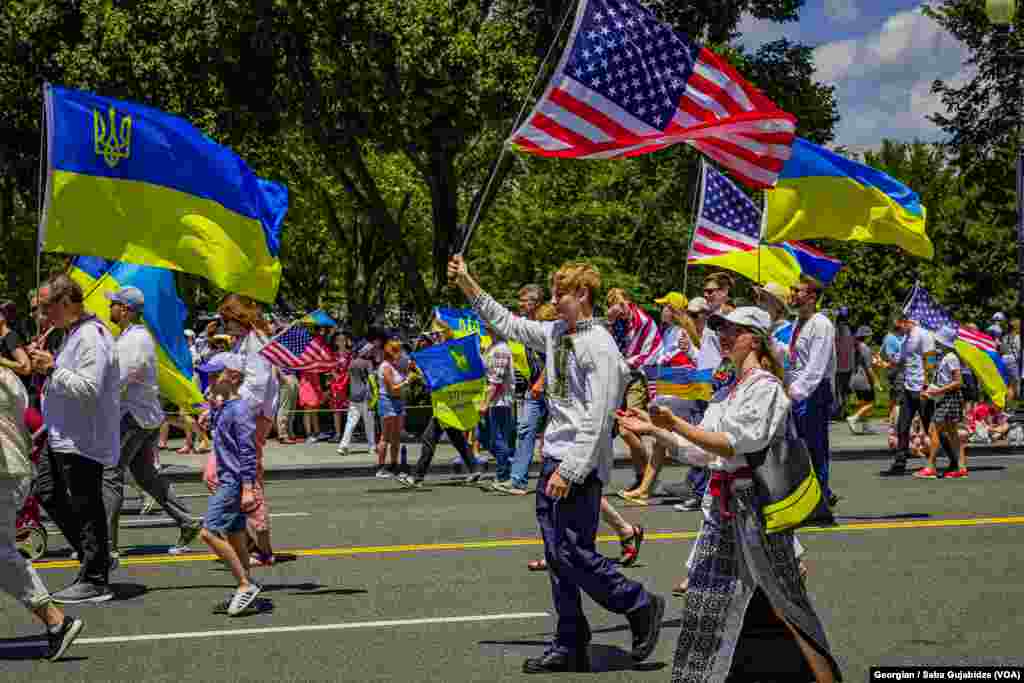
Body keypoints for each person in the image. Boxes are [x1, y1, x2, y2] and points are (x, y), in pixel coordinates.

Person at [449, 255, 665, 674]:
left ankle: (637, 603)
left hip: (577, 466)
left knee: (572, 552)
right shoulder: (555, 332)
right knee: (556, 555)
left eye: (560, 294)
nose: (553, 301)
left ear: (582, 295)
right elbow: (508, 323)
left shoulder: (599, 345)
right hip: (554, 459)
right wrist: (468, 284)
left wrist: (572, 469)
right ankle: (569, 641)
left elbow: (599, 417)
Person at [616, 307, 841, 683]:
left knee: (788, 605)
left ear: (754, 339)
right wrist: (655, 430)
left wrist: (677, 424)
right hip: (723, 512)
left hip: (756, 510)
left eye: (734, 331)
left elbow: (735, 444)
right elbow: (701, 452)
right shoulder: (728, 390)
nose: (724, 335)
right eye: (721, 329)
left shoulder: (765, 387)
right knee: (706, 604)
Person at [29, 274, 120, 604]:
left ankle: (95, 578)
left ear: (66, 303)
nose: (41, 315)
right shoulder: (72, 334)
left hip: (83, 438)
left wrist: (53, 367)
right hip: (60, 434)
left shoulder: (91, 337)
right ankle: (94, 556)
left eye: (45, 307)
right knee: (47, 492)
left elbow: (89, 390)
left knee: (86, 505)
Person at [100, 287, 202, 557]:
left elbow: (120, 377)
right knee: (146, 476)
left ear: (126, 310)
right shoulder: (130, 337)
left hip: (132, 417)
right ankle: (188, 521)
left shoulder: (135, 340)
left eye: (114, 304)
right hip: (142, 417)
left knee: (109, 475)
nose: (110, 308)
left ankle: (106, 546)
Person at [0, 365, 84, 660]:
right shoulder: (7, 376)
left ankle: (57, 621)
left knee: (1, 554)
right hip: (12, 469)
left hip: (5, 472)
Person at [618, 291, 702, 505]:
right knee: (659, 442)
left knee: (664, 438)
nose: (662, 310)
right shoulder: (670, 331)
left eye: (665, 306)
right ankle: (646, 488)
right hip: (672, 389)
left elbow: (670, 356)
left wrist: (653, 363)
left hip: (678, 390)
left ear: (673, 310)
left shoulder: (680, 331)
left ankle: (653, 487)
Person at [198, 353, 263, 616]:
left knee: (208, 532)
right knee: (236, 536)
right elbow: (219, 430)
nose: (210, 380)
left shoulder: (240, 410)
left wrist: (248, 487)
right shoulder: (225, 407)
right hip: (228, 477)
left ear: (233, 377)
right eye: (209, 375)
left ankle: (246, 585)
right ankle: (243, 586)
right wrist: (209, 413)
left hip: (234, 480)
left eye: (215, 375)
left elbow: (248, 451)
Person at [217, 294, 279, 565]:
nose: (224, 325)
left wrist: (233, 405)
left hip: (250, 416)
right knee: (238, 476)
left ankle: (260, 546)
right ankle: (256, 544)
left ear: (238, 318)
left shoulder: (255, 342)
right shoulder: (245, 341)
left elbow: (257, 385)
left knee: (244, 478)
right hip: (247, 414)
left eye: (226, 320)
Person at [397, 331, 483, 488]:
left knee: (428, 439)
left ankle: (417, 476)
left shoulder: (438, 361)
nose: (421, 345)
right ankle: (475, 468)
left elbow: (434, 383)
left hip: (444, 408)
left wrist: (418, 374)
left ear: (431, 344)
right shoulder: (429, 361)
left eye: (425, 342)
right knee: (457, 439)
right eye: (420, 343)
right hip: (442, 406)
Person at [788, 277, 838, 508]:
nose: (792, 293)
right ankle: (815, 495)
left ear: (811, 297)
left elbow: (816, 366)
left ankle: (820, 502)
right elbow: (794, 359)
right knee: (800, 449)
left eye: (796, 290)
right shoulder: (798, 322)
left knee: (815, 447)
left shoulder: (821, 324)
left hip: (812, 392)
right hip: (798, 391)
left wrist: (796, 392)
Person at [605, 287, 661, 490]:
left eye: (622, 304)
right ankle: (642, 477)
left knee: (627, 429)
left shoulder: (642, 321)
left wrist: (624, 364)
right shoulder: (617, 322)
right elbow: (606, 345)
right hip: (620, 377)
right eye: (615, 306)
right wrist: (610, 321)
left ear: (629, 301)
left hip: (638, 376)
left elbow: (646, 353)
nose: (620, 310)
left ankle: (648, 476)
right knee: (626, 431)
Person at [508, 284, 548, 495]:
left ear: (536, 303)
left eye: (524, 301)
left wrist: (541, 382)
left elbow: (555, 358)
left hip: (553, 390)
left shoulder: (547, 325)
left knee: (555, 435)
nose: (520, 304)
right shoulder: (523, 326)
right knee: (525, 429)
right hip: (533, 389)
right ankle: (517, 481)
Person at [915, 325, 967, 479]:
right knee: (952, 432)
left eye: (938, 340)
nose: (936, 342)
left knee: (933, 430)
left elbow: (958, 381)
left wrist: (938, 391)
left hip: (949, 397)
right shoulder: (945, 356)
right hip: (947, 396)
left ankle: (931, 467)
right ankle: (961, 467)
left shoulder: (950, 357)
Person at [883, 314, 932, 476]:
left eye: (899, 326)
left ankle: (952, 460)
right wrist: (883, 363)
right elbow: (899, 360)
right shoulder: (905, 339)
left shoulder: (923, 334)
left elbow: (929, 361)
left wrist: (927, 385)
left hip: (921, 389)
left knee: (931, 428)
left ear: (906, 322)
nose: (898, 330)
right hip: (908, 388)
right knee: (902, 427)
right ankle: (899, 463)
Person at [480, 321, 517, 491]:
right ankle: (507, 465)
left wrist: (485, 402)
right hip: (494, 400)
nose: (484, 328)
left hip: (500, 401)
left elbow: (497, 379)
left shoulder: (501, 349)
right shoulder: (492, 347)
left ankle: (504, 475)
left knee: (498, 439)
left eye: (487, 326)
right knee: (486, 437)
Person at [376, 339, 412, 478]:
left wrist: (408, 373)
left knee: (396, 436)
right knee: (386, 436)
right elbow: (392, 389)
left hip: (398, 402)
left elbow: (401, 381)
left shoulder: (395, 365)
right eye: (398, 351)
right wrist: (408, 381)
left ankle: (394, 465)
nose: (401, 353)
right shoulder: (385, 367)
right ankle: (381, 468)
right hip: (388, 401)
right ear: (392, 352)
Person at [338, 341, 378, 456]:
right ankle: (372, 446)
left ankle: (343, 446)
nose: (371, 352)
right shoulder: (368, 363)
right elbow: (371, 380)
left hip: (354, 396)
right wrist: (375, 394)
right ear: (364, 351)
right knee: (369, 423)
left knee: (350, 422)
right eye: (369, 350)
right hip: (366, 397)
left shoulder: (352, 363)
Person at [846, 325, 878, 434]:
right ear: (866, 336)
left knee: (863, 404)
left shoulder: (856, 347)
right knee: (871, 403)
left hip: (855, 379)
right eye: (870, 335)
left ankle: (866, 426)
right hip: (864, 380)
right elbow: (868, 368)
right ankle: (854, 418)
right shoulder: (865, 348)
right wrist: (876, 382)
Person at [327, 332, 352, 444]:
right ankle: (338, 434)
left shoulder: (350, 355)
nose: (341, 342)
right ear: (336, 342)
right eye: (339, 340)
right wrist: (335, 376)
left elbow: (352, 368)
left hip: (348, 385)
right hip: (336, 385)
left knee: (349, 410)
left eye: (343, 339)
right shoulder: (333, 355)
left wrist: (346, 377)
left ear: (347, 341)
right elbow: (330, 368)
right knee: (336, 410)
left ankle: (348, 434)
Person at [0, 301, 31, 379]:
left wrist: (2, 361)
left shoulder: (10, 337)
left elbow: (26, 368)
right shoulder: (3, 337)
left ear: (3, 317)